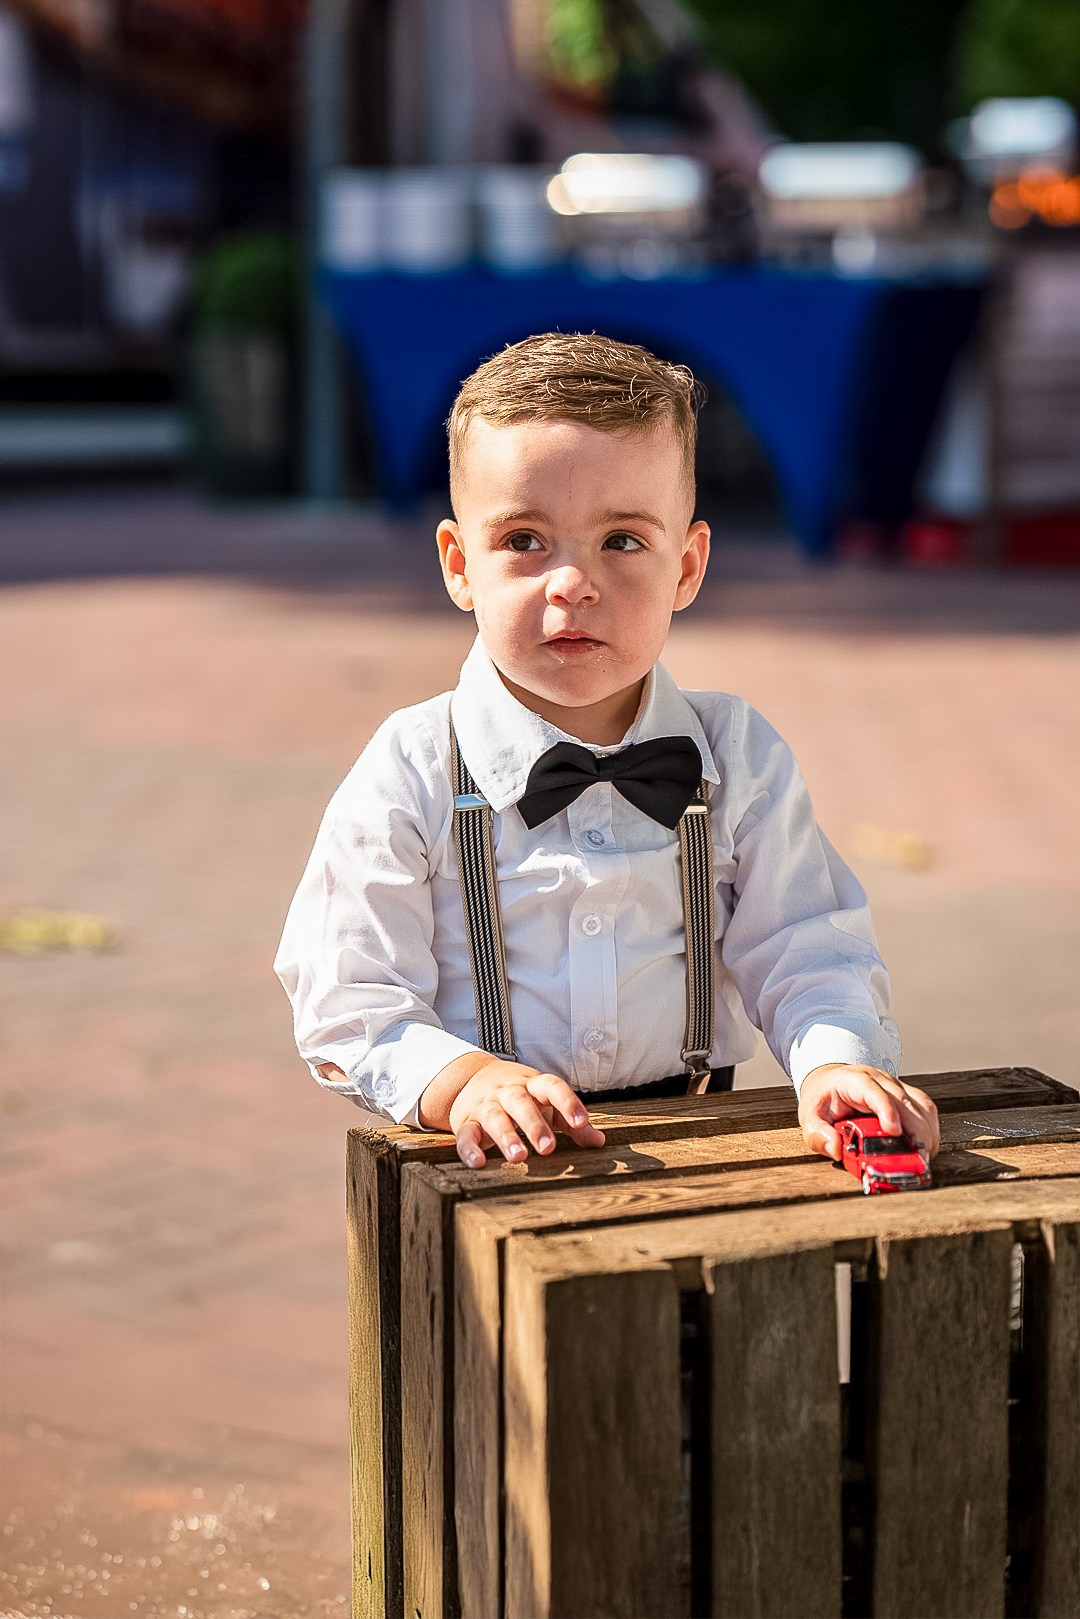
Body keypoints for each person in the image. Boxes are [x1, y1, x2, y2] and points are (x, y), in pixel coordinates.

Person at [274, 332, 940, 1170]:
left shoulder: (737, 755)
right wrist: (461, 1080)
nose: (573, 583)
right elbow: (348, 993)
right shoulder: (411, 770)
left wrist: (835, 1060)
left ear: (686, 566)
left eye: (621, 540)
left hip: (703, 1149)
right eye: (524, 540)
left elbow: (807, 945)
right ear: (459, 564)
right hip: (485, 1163)